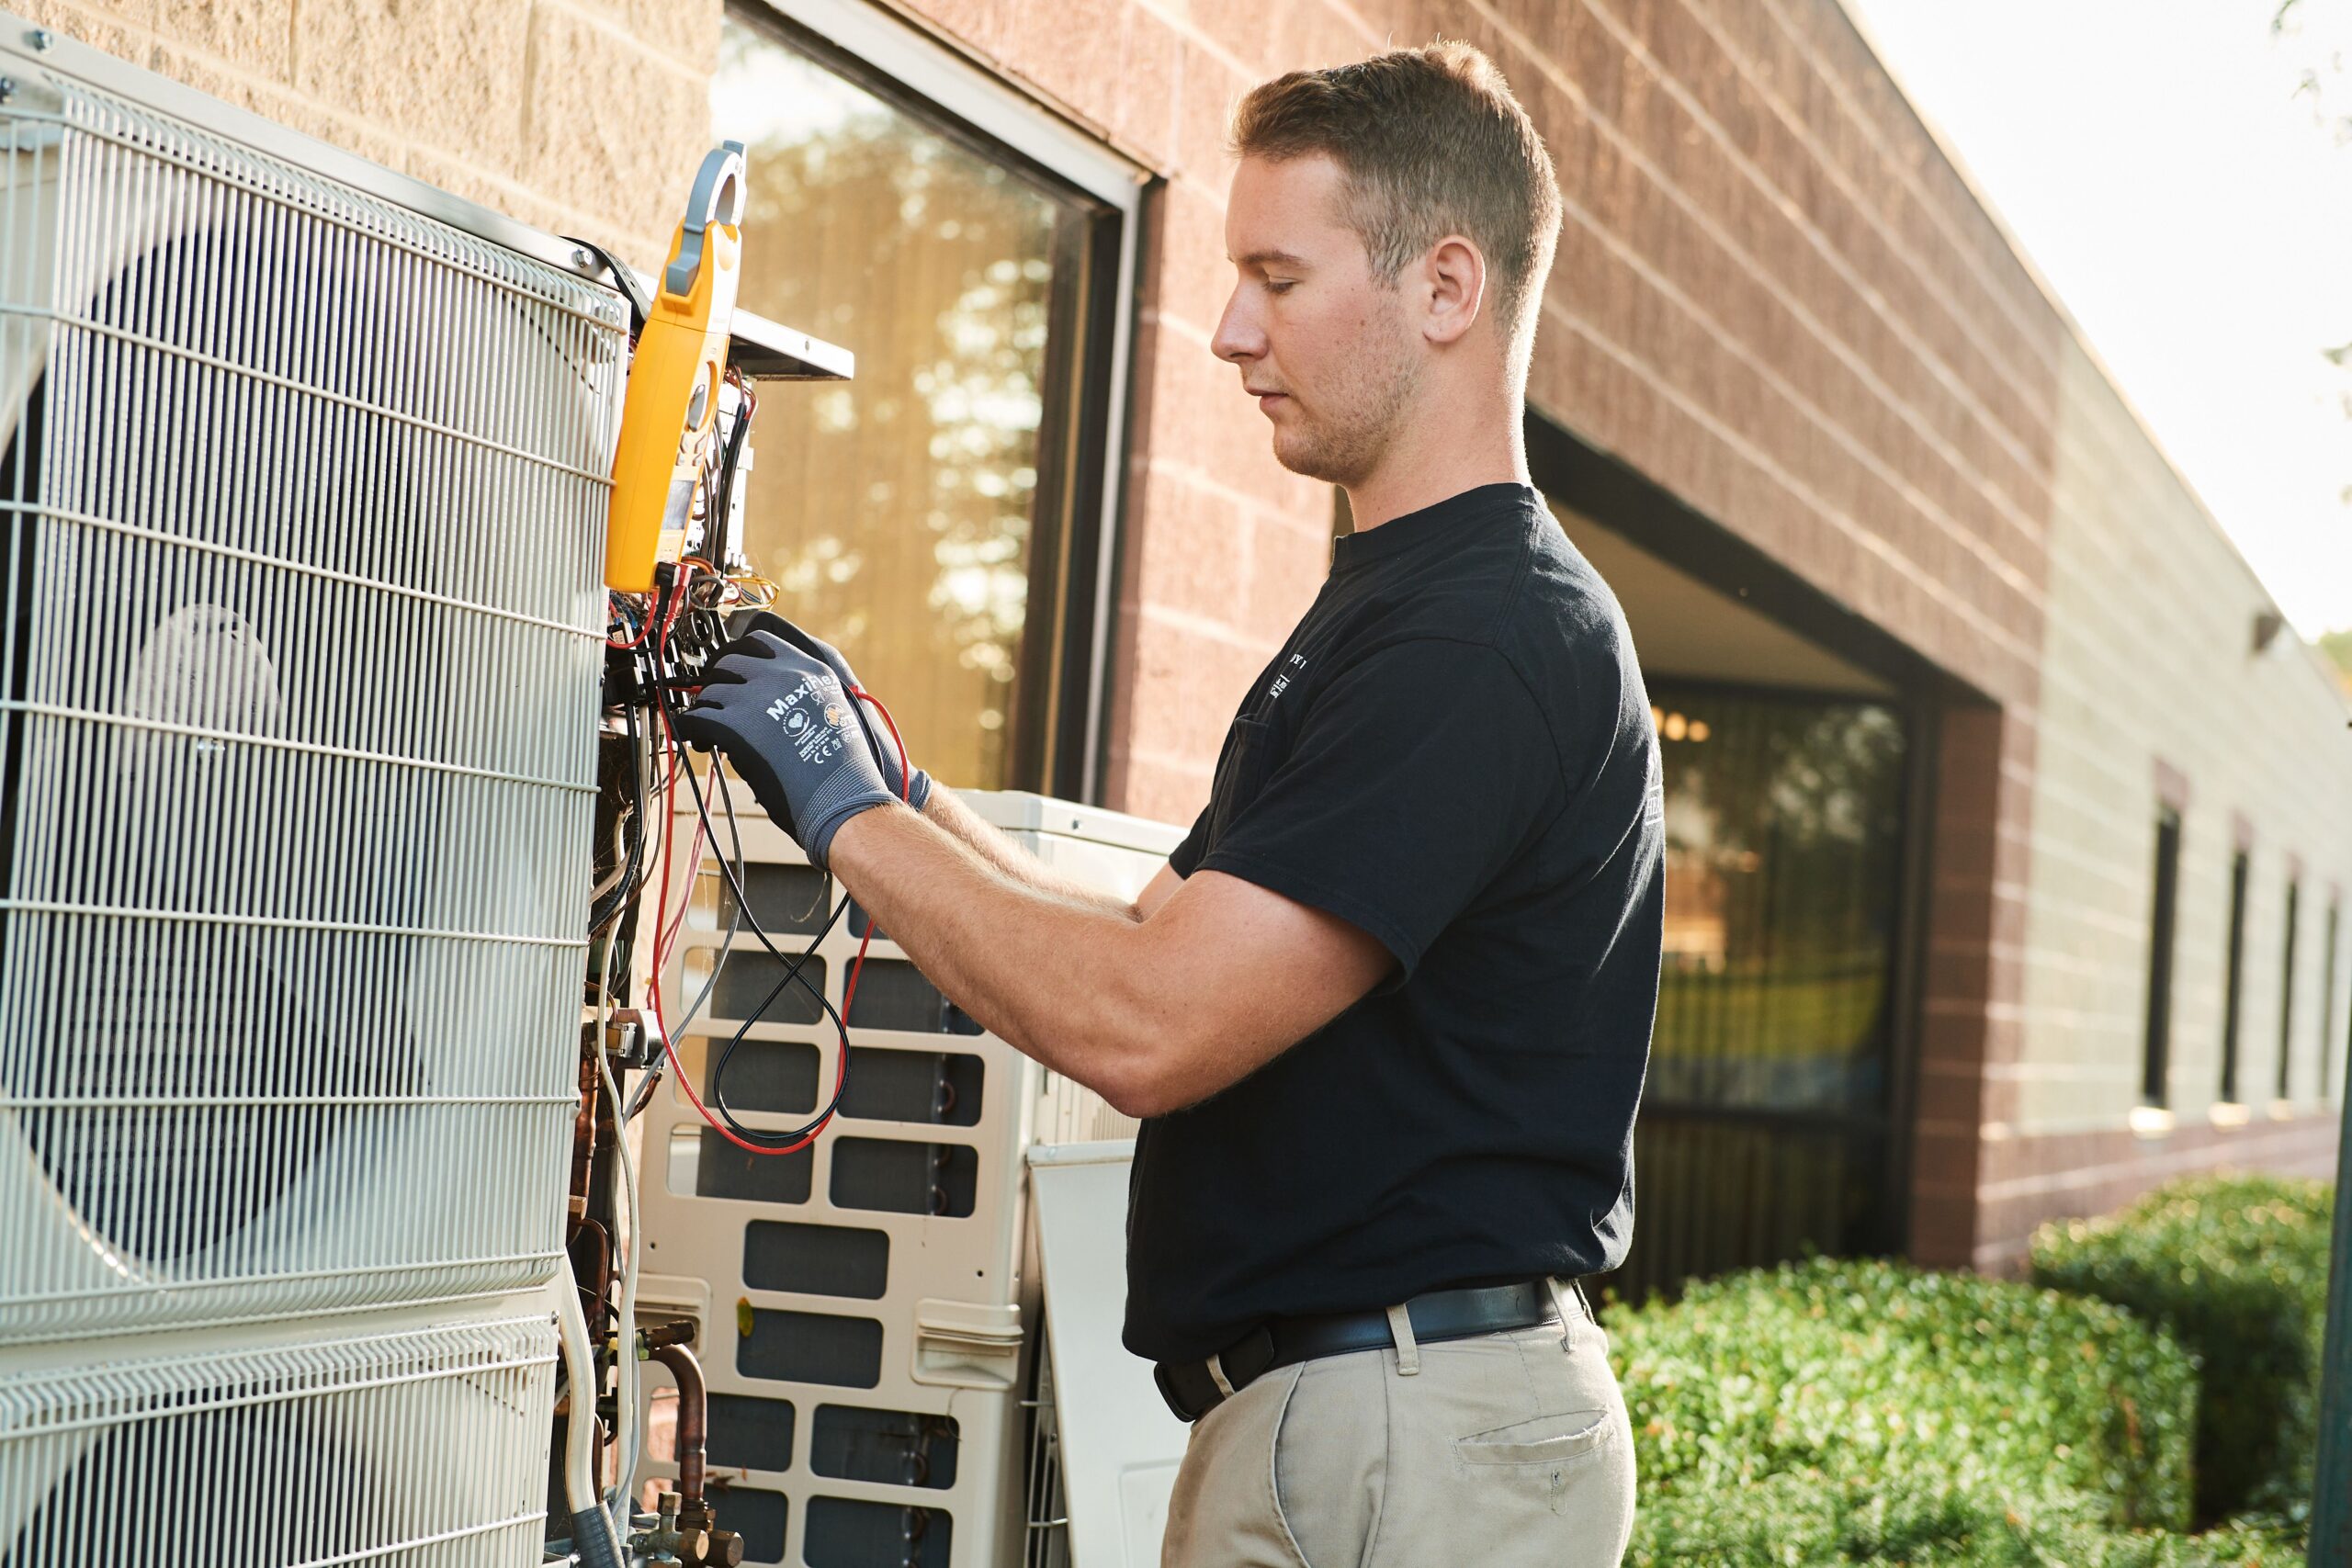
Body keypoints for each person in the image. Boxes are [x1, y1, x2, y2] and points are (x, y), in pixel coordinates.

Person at [678, 40, 1662, 1568]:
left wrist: (840, 815)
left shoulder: (1485, 637)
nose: (1224, 330)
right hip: (1358, 1417)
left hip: (1407, 1430)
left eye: (1278, 276)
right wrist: (892, 779)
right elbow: (1148, 933)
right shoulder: (1401, 611)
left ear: (1446, 289)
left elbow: (1151, 1025)